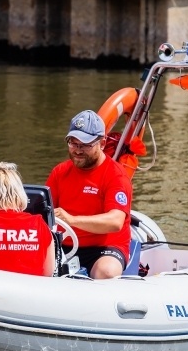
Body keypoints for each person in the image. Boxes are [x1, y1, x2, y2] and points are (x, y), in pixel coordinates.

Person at [46, 110, 132, 279]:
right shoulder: (60, 172)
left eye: (85, 145)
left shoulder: (116, 175)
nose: (78, 150)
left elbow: (115, 221)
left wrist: (72, 220)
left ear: (102, 143)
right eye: (73, 143)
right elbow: (43, 211)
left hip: (105, 248)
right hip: (64, 245)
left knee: (106, 272)